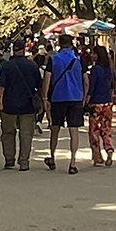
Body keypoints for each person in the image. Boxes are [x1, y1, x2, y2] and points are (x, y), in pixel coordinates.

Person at [0, 39, 43, 169]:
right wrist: (41, 101)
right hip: (28, 105)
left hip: (8, 105)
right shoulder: (32, 65)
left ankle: (9, 159)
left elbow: (1, 86)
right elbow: (39, 85)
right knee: (26, 135)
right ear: (24, 49)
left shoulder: (6, 66)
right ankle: (24, 162)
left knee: (8, 133)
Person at [45, 31, 86, 172]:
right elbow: (86, 80)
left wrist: (45, 97)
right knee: (73, 130)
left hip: (57, 97)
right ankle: (73, 162)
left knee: (55, 128)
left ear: (59, 43)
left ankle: (52, 157)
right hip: (75, 97)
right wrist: (84, 97)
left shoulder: (53, 59)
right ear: (71, 44)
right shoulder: (79, 60)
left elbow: (47, 78)